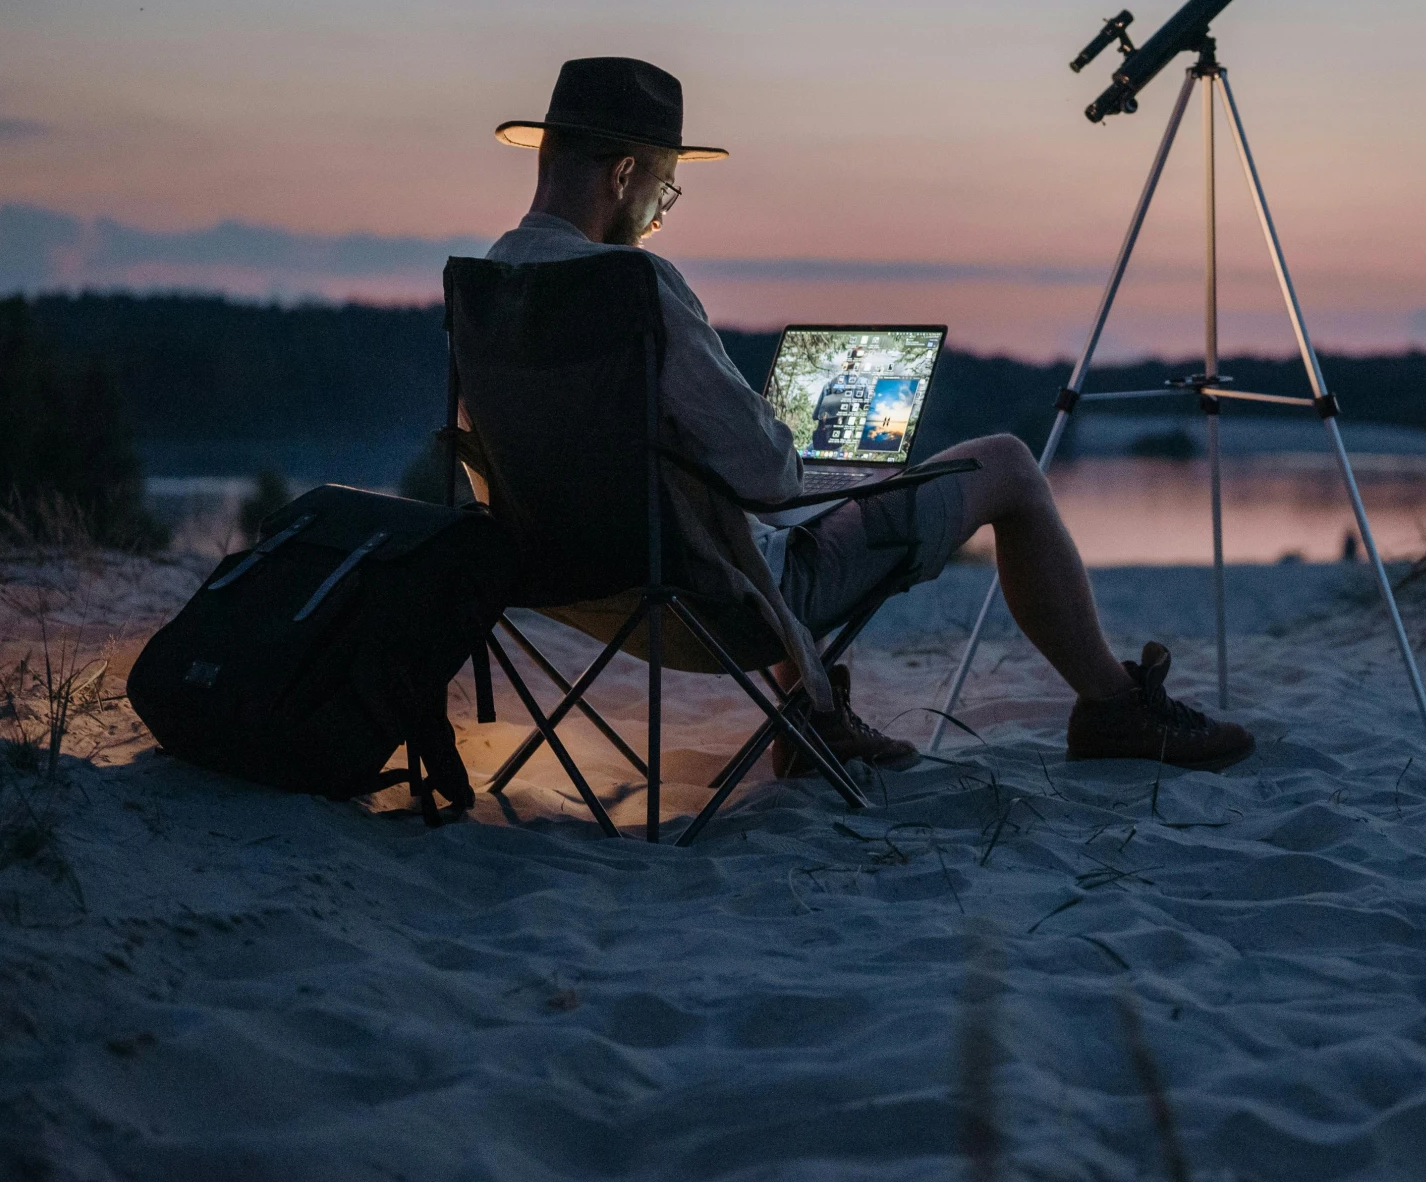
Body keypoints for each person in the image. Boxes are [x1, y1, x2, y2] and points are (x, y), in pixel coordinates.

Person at [483, 57, 1253, 776]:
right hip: (716, 601)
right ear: (625, 174)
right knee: (1009, 465)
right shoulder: (634, 286)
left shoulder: (486, 289)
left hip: (571, 584)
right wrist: (779, 448)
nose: (659, 216)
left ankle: (813, 715)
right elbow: (767, 475)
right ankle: (1115, 709)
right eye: (664, 189)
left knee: (772, 515)